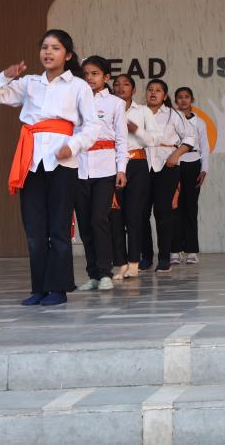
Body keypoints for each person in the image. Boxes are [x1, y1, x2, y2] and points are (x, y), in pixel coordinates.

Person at [0, 29, 99, 306]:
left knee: (58, 228)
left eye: (55, 48)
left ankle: (58, 289)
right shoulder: (29, 83)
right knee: (34, 230)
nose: (48, 52)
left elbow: (93, 126)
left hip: (62, 161)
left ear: (67, 55)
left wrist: (74, 145)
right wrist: (5, 76)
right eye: (45, 47)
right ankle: (39, 288)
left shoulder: (78, 86)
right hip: (31, 161)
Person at [73, 56, 128, 292]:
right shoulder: (74, 100)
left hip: (105, 170)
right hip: (79, 169)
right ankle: (93, 275)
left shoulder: (116, 103)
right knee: (85, 225)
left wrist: (121, 169)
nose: (89, 78)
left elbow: (122, 139)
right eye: (85, 74)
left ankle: (105, 272)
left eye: (94, 73)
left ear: (106, 77)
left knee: (99, 220)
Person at [140, 79, 196, 273]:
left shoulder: (173, 114)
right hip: (142, 166)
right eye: (150, 89)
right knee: (141, 214)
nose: (153, 93)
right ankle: (146, 257)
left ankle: (164, 258)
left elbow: (190, 136)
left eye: (158, 90)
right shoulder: (139, 112)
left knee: (163, 213)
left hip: (167, 166)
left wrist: (176, 154)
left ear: (164, 96)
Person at [110, 74, 158, 280]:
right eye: (116, 84)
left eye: (126, 84)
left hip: (137, 164)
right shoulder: (108, 107)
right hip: (112, 164)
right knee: (115, 216)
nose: (121, 87)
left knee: (134, 215)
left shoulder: (143, 111)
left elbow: (153, 140)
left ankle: (133, 263)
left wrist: (135, 129)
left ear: (134, 89)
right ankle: (120, 263)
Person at [173, 86, 210, 264]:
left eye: (186, 97)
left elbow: (205, 146)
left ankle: (191, 250)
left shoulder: (199, 122)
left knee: (190, 206)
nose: (183, 100)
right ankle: (174, 250)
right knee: (173, 207)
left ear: (192, 100)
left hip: (193, 164)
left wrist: (204, 169)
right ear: (175, 101)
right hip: (173, 164)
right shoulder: (171, 120)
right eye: (180, 97)